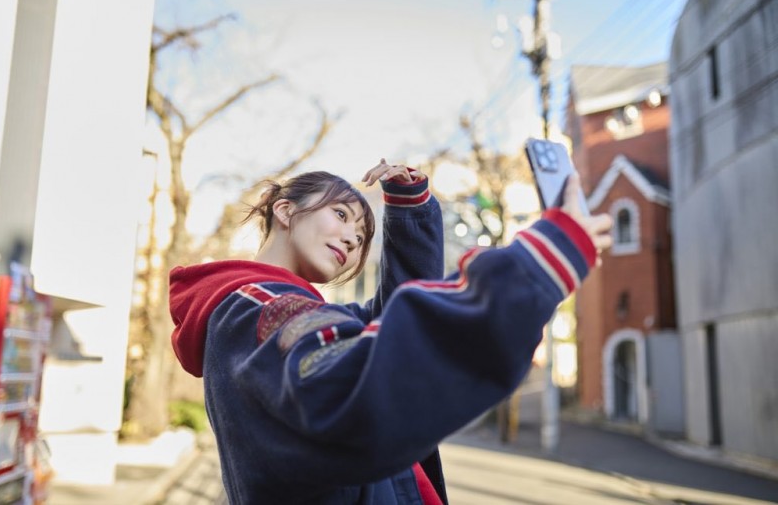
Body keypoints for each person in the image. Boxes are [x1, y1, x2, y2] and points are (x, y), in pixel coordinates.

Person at [169, 158, 612, 504]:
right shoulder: (263, 307)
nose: (350, 239)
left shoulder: (264, 307)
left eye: (362, 236)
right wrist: (535, 268)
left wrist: (408, 207)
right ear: (285, 210)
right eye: (340, 214)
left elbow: (385, 318)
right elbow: (358, 385)